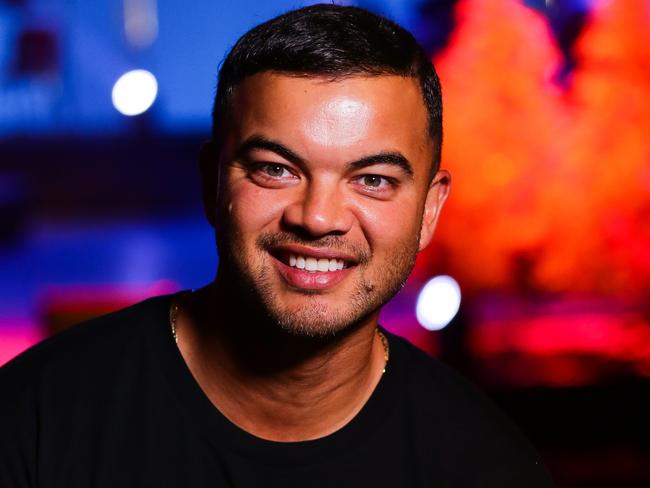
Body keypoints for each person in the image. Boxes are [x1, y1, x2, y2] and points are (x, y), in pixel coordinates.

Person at [1, 4, 554, 487]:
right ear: (211, 183)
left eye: (373, 179)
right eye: (276, 169)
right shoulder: (39, 418)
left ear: (430, 210)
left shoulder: (484, 464)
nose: (317, 218)